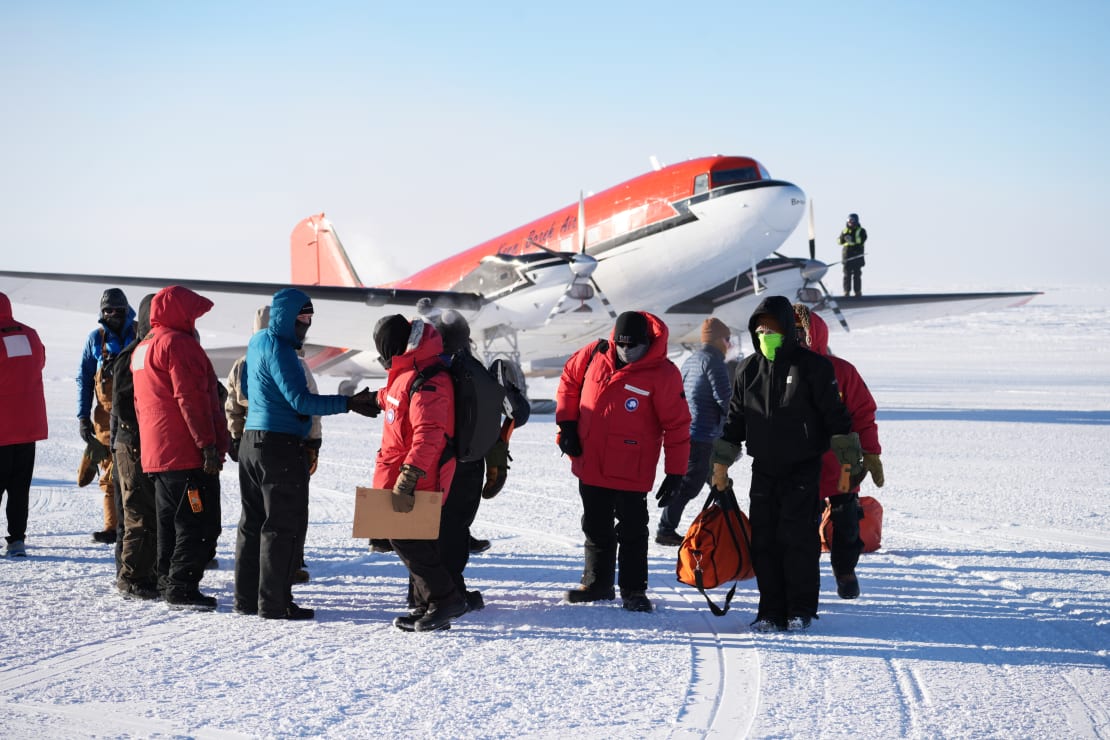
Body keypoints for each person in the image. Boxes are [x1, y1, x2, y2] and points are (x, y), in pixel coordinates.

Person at [710, 295, 856, 632]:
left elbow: (837, 418)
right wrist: (721, 465)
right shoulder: (747, 369)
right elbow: (734, 421)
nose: (765, 334)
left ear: (788, 330)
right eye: (759, 329)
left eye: (772, 328)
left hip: (803, 467)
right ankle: (770, 610)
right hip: (764, 468)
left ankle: (800, 608)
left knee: (799, 538)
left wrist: (850, 462)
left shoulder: (814, 367)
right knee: (764, 540)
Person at [234, 289, 379, 620]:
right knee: (282, 526)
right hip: (279, 447)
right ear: (284, 317)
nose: (306, 325)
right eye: (301, 319)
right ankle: (274, 603)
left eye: (310, 319)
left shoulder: (256, 343)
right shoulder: (281, 350)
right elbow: (301, 401)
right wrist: (349, 403)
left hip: (251, 442)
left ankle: (246, 597)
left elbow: (244, 388)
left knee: (252, 523)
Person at [556, 310, 691, 613]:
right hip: (590, 460)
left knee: (632, 530)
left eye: (635, 346)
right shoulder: (594, 353)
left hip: (632, 467)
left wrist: (675, 473)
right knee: (595, 524)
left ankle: (634, 591)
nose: (627, 351)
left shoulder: (663, 373)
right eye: (622, 344)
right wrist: (566, 425)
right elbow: (569, 381)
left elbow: (678, 426)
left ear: (647, 342)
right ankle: (596, 584)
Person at [131, 286, 228, 610]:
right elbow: (193, 399)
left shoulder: (142, 349)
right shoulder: (179, 345)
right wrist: (208, 446)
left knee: (169, 522)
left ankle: (166, 580)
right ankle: (182, 587)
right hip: (185, 454)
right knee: (199, 522)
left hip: (157, 455)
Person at [372, 314, 469, 633]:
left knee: (406, 538)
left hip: (421, 474)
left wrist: (409, 477)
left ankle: (445, 600)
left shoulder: (429, 378)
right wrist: (369, 399)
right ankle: (430, 603)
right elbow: (395, 397)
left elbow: (430, 433)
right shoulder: (408, 371)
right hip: (402, 470)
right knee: (415, 542)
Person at [431, 309, 530, 612]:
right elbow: (509, 414)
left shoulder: (419, 369)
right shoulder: (473, 371)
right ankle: (452, 591)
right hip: (464, 464)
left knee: (425, 530)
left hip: (427, 462)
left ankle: (424, 591)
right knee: (454, 529)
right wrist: (496, 459)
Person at [793, 304, 885, 599]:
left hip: (842, 466)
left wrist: (870, 452)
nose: (797, 337)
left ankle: (845, 571)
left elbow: (863, 414)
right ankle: (805, 578)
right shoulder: (781, 372)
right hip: (800, 465)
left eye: (801, 331)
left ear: (814, 333)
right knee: (803, 524)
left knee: (847, 522)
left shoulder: (843, 371)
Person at [226, 304, 321, 584]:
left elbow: (232, 406)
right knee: (288, 514)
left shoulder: (242, 363)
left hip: (250, 444)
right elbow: (310, 406)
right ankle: (286, 569)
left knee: (253, 516)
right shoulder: (293, 362)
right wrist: (313, 443)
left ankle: (249, 579)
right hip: (286, 444)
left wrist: (236, 437)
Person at [655, 317, 733, 546]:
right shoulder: (714, 362)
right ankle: (665, 529)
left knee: (718, 482)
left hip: (690, 430)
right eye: (727, 339)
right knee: (691, 483)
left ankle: (730, 526)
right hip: (704, 433)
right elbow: (725, 398)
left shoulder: (692, 360)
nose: (728, 344)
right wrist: (739, 421)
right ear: (718, 339)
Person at [110, 293, 160, 598]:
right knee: (136, 513)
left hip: (142, 443)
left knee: (147, 511)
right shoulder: (131, 356)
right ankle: (130, 577)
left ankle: (145, 572)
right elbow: (124, 406)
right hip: (132, 445)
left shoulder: (144, 352)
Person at [77, 288, 136, 544]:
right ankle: (113, 528)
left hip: (136, 418)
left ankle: (136, 526)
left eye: (116, 310)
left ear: (126, 310)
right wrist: (82, 416)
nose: (112, 314)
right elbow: (85, 380)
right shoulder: (95, 339)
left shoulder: (139, 334)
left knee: (135, 476)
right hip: (104, 421)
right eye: (107, 310)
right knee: (110, 476)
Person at [1, 292, 47, 558]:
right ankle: (17, 540)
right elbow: (39, 363)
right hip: (28, 426)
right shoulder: (30, 335)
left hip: (1, 429)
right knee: (20, 488)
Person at [839, 213, 868, 297]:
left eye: (852, 220)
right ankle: (846, 292)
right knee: (847, 275)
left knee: (857, 275)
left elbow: (862, 240)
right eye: (849, 221)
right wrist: (843, 238)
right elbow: (839, 241)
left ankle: (857, 292)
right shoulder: (844, 231)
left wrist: (852, 240)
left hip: (857, 256)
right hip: (847, 257)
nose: (850, 222)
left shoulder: (861, 230)